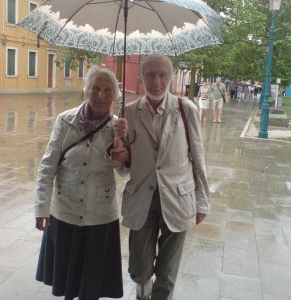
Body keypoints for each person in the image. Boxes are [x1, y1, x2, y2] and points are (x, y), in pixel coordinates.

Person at [120, 54, 211, 300]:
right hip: (141, 198)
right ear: (141, 77)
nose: (156, 81)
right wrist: (120, 151)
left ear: (171, 77)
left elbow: (198, 157)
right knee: (139, 268)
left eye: (162, 75)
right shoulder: (127, 113)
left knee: (167, 273)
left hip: (178, 197)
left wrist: (202, 201)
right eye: (150, 74)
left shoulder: (185, 109)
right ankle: (142, 285)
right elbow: (122, 166)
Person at [34, 66, 129, 300]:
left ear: (115, 95)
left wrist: (121, 145)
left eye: (107, 90)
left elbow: (123, 171)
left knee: (92, 284)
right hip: (66, 211)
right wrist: (41, 208)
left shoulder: (119, 126)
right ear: (85, 90)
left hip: (100, 216)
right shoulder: (65, 120)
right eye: (95, 88)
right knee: (68, 280)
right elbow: (48, 166)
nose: (100, 95)